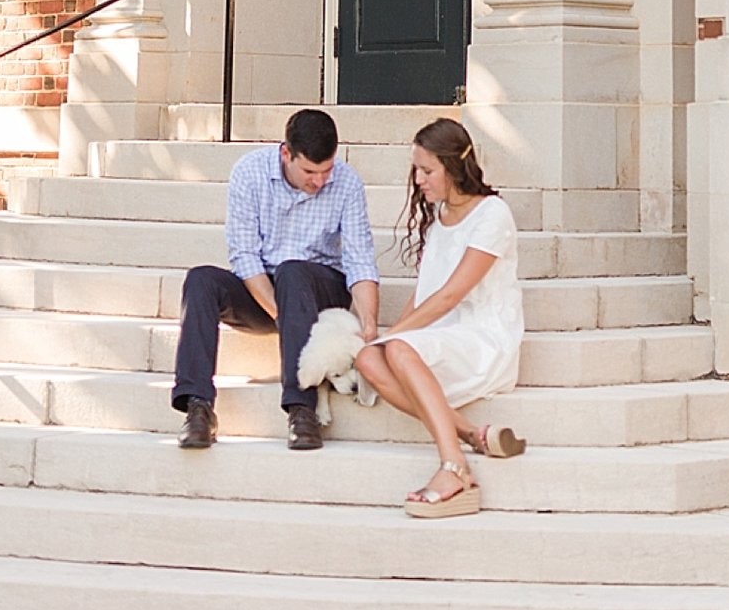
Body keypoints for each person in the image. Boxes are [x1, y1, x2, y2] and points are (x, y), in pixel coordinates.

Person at [172, 107, 380, 451]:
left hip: (319, 288)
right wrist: (282, 312)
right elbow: (244, 256)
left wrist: (369, 326)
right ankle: (198, 408)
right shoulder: (249, 173)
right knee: (200, 281)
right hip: (267, 292)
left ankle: (302, 409)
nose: (320, 181)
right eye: (310, 171)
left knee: (293, 269)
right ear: (286, 153)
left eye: (326, 170)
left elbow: (359, 262)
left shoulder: (347, 182)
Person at [353, 118, 526, 517]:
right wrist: (379, 342)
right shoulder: (441, 217)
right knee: (368, 358)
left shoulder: (492, 215)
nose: (418, 180)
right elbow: (424, 294)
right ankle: (469, 432)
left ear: (453, 167)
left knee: (394, 349)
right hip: (439, 338)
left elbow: (449, 297)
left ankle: (455, 468)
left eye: (427, 170)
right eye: (415, 169)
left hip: (483, 339)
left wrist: (390, 339)